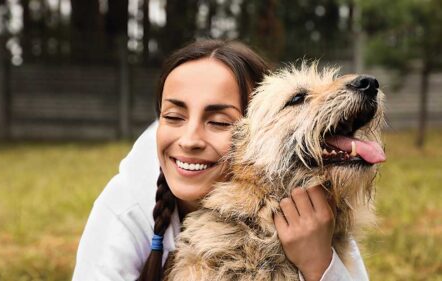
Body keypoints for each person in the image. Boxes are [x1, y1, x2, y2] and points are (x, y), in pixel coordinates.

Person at [72, 39, 369, 281]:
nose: (189, 141)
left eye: (219, 122)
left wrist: (319, 264)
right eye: (173, 117)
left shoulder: (306, 199)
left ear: (253, 130)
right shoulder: (128, 204)